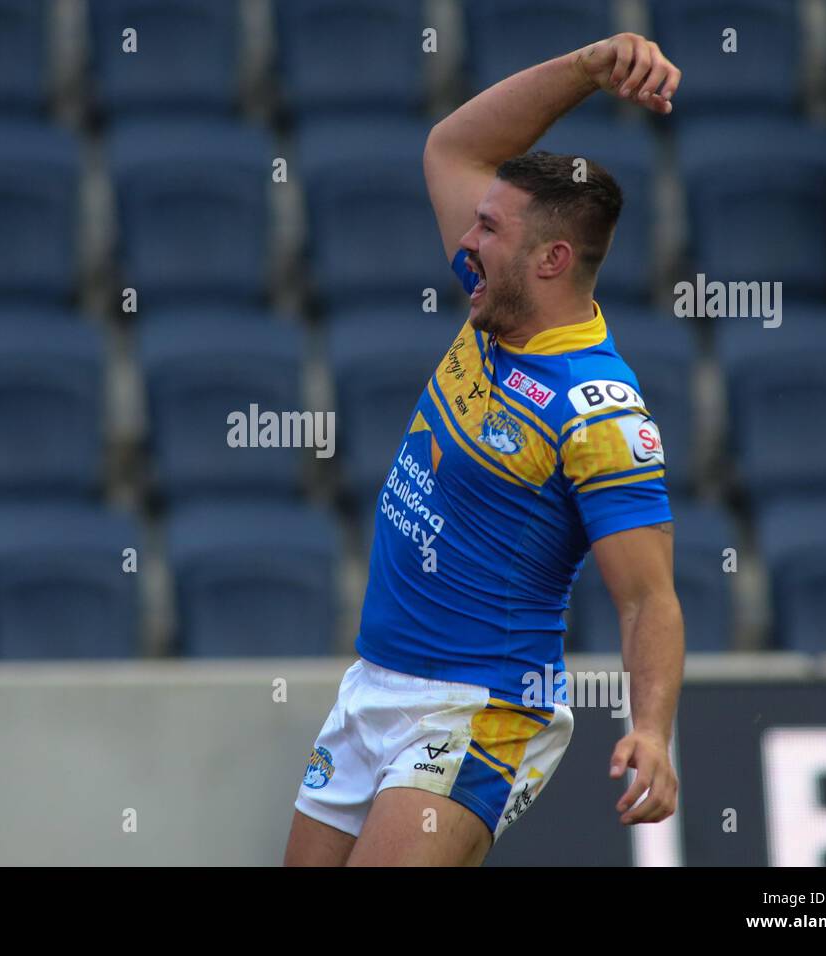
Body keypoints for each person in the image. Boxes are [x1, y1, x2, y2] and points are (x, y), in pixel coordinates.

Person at [285, 34, 684, 866]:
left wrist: (651, 730)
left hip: (484, 707)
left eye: (489, 228)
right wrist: (587, 68)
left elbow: (648, 599)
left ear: (552, 259)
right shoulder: (493, 304)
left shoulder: (597, 411)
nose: (466, 240)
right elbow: (453, 146)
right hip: (375, 687)